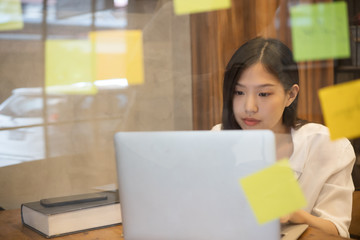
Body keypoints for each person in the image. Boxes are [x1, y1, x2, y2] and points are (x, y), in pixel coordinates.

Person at [212, 37, 355, 237]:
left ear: (291, 95)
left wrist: (297, 215)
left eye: (263, 94)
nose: (249, 107)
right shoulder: (218, 139)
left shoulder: (326, 144)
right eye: (239, 92)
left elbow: (337, 231)